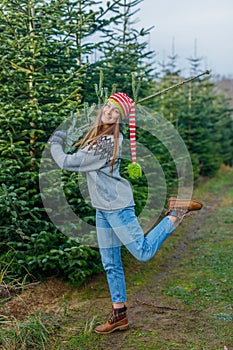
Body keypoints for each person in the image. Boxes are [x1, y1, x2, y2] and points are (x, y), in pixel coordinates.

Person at [49, 92, 202, 335]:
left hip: (118, 207)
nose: (109, 113)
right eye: (107, 108)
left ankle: (176, 212)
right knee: (110, 263)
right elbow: (91, 122)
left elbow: (69, 162)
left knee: (142, 251)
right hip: (103, 208)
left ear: (120, 119)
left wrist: (55, 142)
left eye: (115, 112)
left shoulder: (108, 142)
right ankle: (119, 315)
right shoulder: (100, 132)